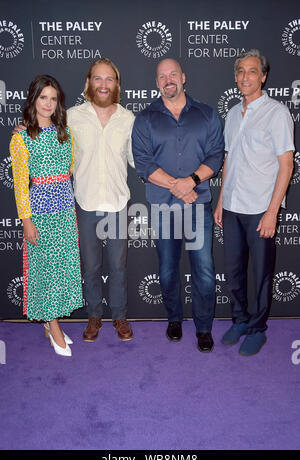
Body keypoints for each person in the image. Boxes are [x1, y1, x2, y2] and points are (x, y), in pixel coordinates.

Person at [132, 58, 224, 352]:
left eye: (173, 74)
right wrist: (179, 185)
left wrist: (192, 180)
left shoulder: (207, 114)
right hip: (163, 207)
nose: (168, 79)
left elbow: (215, 156)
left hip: (198, 207)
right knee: (168, 270)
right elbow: (144, 164)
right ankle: (174, 318)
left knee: (204, 270)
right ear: (157, 82)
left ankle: (204, 328)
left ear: (183, 77)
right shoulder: (145, 119)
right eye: (162, 76)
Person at [214, 49, 294, 356]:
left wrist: (273, 212)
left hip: (261, 207)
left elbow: (286, 165)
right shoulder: (233, 114)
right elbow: (229, 159)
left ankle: (258, 328)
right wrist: (221, 201)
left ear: (262, 76)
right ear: (236, 78)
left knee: (261, 273)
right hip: (233, 206)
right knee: (234, 271)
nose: (245, 77)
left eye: (251, 71)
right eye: (240, 72)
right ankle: (240, 320)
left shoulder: (277, 112)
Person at [10, 75, 83, 357]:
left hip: (65, 210)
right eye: (43, 98)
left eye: (53, 99)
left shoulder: (66, 133)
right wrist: (26, 220)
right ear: (33, 100)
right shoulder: (22, 138)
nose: (48, 104)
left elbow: (71, 171)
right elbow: (19, 184)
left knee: (61, 269)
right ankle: (52, 326)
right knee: (46, 271)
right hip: (40, 214)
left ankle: (52, 322)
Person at [67, 58, 135, 342]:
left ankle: (119, 317)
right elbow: (49, 140)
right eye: (98, 78)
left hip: (118, 204)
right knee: (91, 267)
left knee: (118, 268)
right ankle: (94, 316)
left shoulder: (128, 119)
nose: (104, 84)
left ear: (116, 84)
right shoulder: (71, 116)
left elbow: (136, 159)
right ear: (89, 82)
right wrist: (24, 131)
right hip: (86, 203)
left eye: (109, 79)